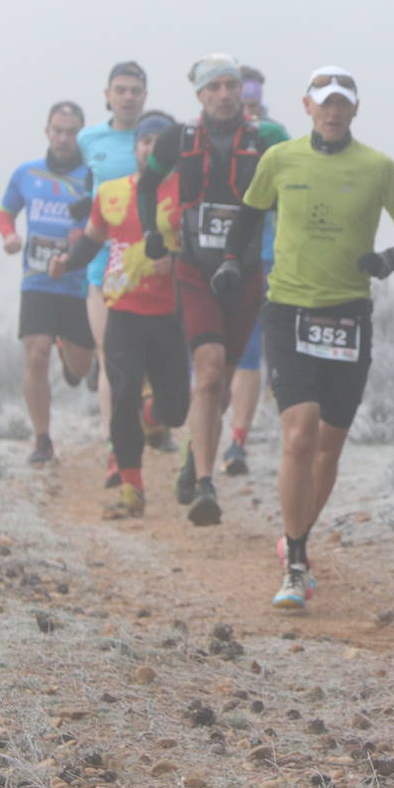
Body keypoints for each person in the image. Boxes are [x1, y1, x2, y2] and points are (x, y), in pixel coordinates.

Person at [217, 65, 394, 608]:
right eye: (324, 101)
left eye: (343, 102)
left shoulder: (379, 168)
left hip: (348, 317)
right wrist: (229, 265)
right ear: (307, 106)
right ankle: (295, 564)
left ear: (355, 109)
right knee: (298, 433)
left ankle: (296, 538)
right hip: (288, 310)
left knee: (328, 448)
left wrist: (386, 260)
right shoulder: (280, 159)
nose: (333, 110)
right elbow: (247, 218)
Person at [136, 53, 287, 525]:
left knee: (220, 384)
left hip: (246, 271)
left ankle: (192, 457)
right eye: (214, 87)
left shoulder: (268, 138)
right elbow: (147, 184)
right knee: (207, 372)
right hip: (196, 269)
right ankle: (205, 484)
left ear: (241, 90)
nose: (224, 95)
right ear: (199, 95)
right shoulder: (178, 138)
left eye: (230, 85)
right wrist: (151, 234)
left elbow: (297, 188)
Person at [78, 61, 173, 487]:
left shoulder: (161, 138)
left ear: (145, 95)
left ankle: (154, 417)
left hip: (156, 267)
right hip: (105, 267)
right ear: (107, 94)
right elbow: (87, 186)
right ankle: (115, 453)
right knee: (110, 360)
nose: (128, 96)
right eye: (121, 89)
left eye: (136, 89)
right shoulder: (89, 139)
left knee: (151, 366)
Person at [0, 101, 95, 465]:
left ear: (81, 134)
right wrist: (8, 236)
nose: (64, 138)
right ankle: (42, 440)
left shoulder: (91, 177)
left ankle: (74, 361)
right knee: (35, 354)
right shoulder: (27, 173)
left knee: (80, 369)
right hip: (37, 282)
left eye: (71, 132)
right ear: (47, 131)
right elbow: (5, 211)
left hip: (78, 284)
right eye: (58, 130)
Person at [221, 65, 288, 476]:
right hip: (213, 257)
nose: (246, 111)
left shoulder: (272, 136)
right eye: (239, 102)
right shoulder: (206, 134)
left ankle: (237, 441)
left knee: (250, 349)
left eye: (252, 103)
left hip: (264, 254)